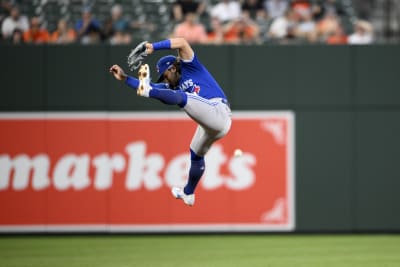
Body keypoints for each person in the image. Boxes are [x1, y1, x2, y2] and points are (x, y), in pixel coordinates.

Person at [109, 38, 232, 206]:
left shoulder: (190, 66)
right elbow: (150, 87)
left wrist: (153, 47)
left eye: (165, 75)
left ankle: (149, 91)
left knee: (182, 97)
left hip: (219, 112)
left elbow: (182, 42)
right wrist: (125, 78)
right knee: (195, 153)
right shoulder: (172, 87)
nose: (165, 80)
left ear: (173, 68)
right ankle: (188, 193)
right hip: (212, 126)